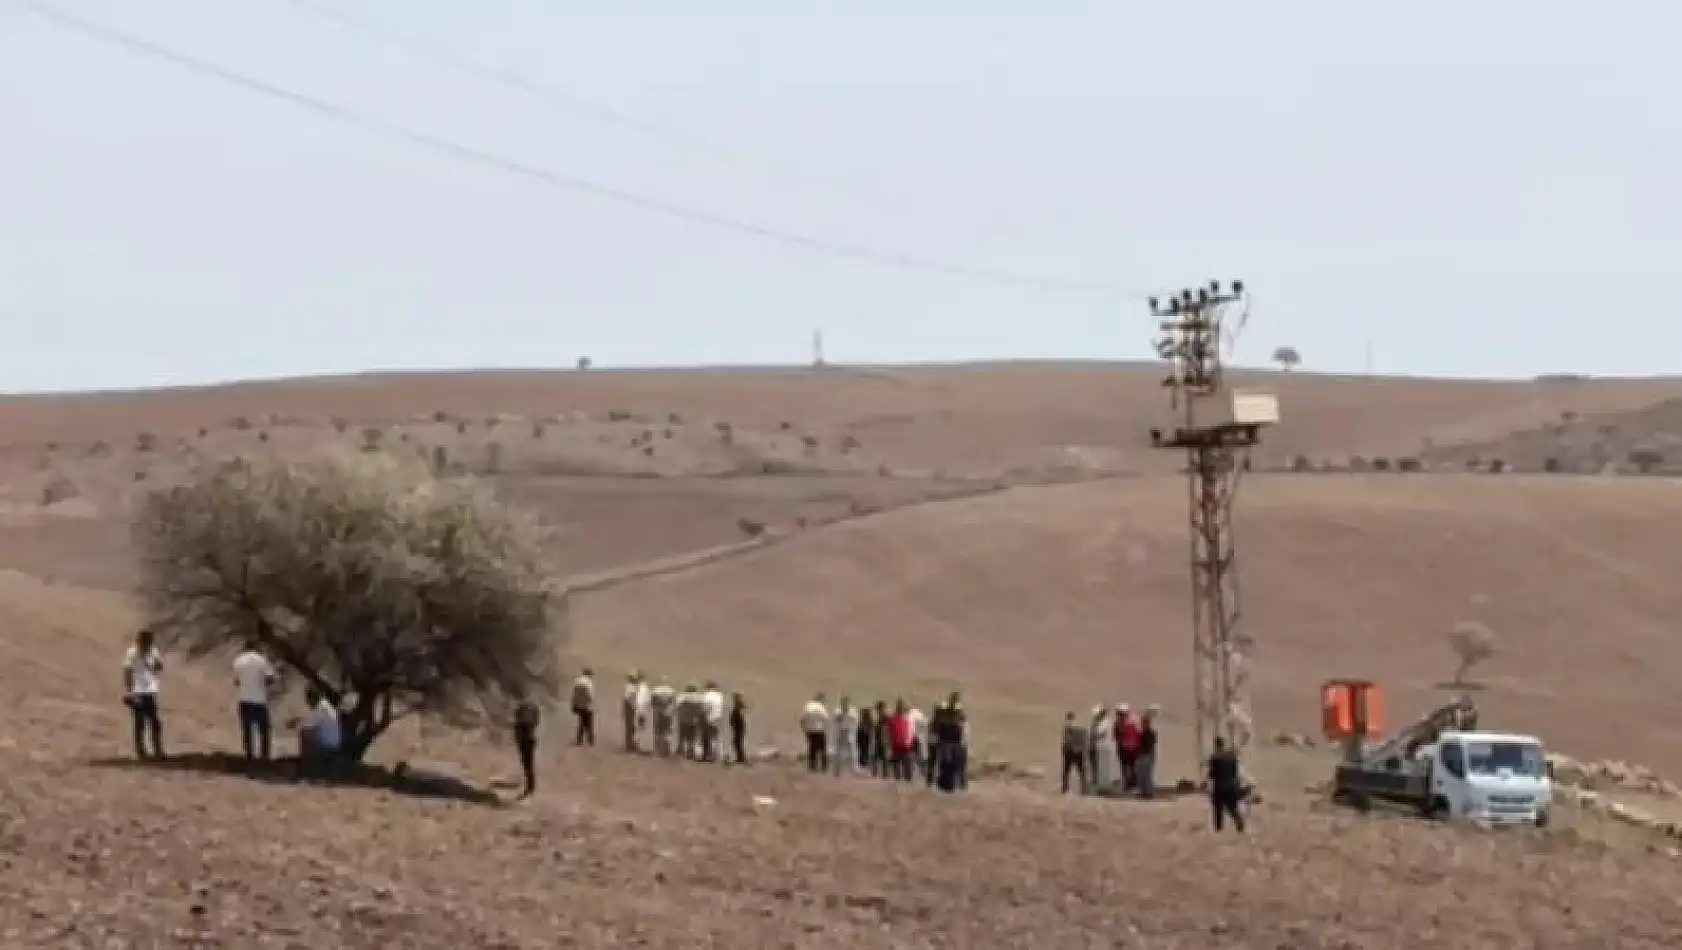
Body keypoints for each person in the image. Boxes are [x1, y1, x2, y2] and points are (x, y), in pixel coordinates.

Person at [122, 628, 165, 760]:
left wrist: (158, 664)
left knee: (154, 722)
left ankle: (157, 750)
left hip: (150, 690)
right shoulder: (132, 652)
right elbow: (127, 670)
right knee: (140, 722)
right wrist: (129, 691)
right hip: (138, 690)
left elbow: (159, 667)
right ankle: (141, 751)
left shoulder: (153, 651)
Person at [231, 640, 278, 763]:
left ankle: (249, 756)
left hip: (244, 699)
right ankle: (264, 756)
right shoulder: (261, 660)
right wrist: (264, 685)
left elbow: (236, 681)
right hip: (259, 699)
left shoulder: (238, 660)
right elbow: (271, 678)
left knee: (247, 730)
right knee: (264, 729)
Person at [299, 687, 342, 776]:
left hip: (328, 745)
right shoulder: (325, 705)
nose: (307, 702)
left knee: (304, 734)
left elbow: (309, 726)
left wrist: (297, 725)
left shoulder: (321, 708)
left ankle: (306, 767)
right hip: (334, 742)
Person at [1207, 736, 1246, 832]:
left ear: (1216, 745)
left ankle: (1219, 828)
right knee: (1232, 807)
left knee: (1218, 808)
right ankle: (1239, 823)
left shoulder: (1214, 757)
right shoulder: (1232, 756)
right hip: (1231, 785)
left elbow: (1212, 773)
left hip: (1220, 786)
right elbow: (1235, 772)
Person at [513, 696, 541, 798]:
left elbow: (516, 720)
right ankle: (531, 784)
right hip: (530, 737)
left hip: (523, 738)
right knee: (529, 762)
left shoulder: (520, 708)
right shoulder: (534, 707)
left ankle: (530, 785)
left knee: (526, 763)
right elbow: (537, 721)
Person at [1060, 711, 1089, 794]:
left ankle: (1065, 789)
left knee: (1066, 771)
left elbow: (1066, 740)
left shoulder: (1067, 727)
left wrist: (1064, 750)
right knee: (1081, 772)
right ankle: (1084, 790)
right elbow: (1085, 739)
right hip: (1079, 751)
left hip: (1070, 751)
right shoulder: (1081, 727)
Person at [800, 692, 830, 773]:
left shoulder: (808, 705)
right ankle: (824, 767)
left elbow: (802, 718)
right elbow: (826, 718)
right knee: (822, 748)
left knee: (812, 748)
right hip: (819, 730)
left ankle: (813, 766)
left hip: (809, 730)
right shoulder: (821, 707)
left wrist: (804, 728)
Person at [888, 700, 916, 781]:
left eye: (901, 707)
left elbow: (911, 732)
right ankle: (899, 780)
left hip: (905, 745)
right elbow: (890, 732)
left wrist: (910, 743)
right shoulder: (894, 719)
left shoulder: (907, 719)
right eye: (898, 707)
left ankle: (907, 780)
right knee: (898, 764)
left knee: (906, 764)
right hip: (897, 744)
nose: (899, 709)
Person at [1136, 706, 1160, 799]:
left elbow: (1151, 745)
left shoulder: (1150, 733)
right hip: (1142, 755)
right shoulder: (1142, 733)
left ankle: (1148, 792)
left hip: (1147, 755)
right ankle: (1143, 792)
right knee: (1141, 774)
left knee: (1147, 774)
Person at [1116, 703, 1141, 792]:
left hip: (1132, 747)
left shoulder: (1133, 720)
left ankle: (1133, 784)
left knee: (1132, 766)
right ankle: (1128, 783)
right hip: (1124, 747)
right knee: (1125, 766)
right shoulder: (1119, 722)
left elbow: (1138, 733)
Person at [649, 676, 677, 757]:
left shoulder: (655, 690)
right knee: (667, 730)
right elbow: (673, 703)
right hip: (668, 713)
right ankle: (667, 748)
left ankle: (658, 749)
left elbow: (652, 702)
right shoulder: (671, 690)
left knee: (658, 730)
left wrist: (655, 708)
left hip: (658, 712)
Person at [833, 698, 860, 775]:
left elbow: (855, 720)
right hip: (841, 731)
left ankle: (855, 768)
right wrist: (842, 714)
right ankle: (837, 768)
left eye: (846, 702)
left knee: (853, 750)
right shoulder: (837, 710)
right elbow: (835, 720)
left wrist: (847, 713)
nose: (844, 704)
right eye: (843, 702)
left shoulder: (852, 710)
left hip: (849, 731)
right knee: (838, 750)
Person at [701, 681, 726, 762]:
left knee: (707, 737)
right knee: (716, 737)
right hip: (718, 718)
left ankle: (708, 755)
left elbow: (705, 708)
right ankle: (718, 754)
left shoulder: (707, 696)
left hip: (709, 718)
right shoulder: (720, 696)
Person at [570, 667, 596, 746]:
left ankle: (580, 740)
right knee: (589, 722)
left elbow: (574, 695)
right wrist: (591, 703)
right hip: (586, 705)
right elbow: (589, 694)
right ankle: (590, 740)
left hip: (578, 704)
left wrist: (573, 704)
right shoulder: (588, 682)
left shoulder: (577, 681)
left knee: (581, 722)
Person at [622, 671, 646, 753]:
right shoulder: (631, 688)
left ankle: (631, 743)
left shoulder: (631, 686)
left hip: (630, 707)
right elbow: (629, 699)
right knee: (630, 727)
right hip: (630, 708)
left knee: (631, 727)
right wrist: (636, 708)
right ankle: (629, 745)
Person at [871, 701, 892, 779]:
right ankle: (875, 774)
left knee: (884, 759)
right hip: (878, 741)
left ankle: (885, 775)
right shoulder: (878, 719)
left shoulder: (887, 718)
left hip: (884, 741)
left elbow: (889, 730)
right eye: (878, 709)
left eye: (880, 709)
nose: (879, 711)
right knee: (875, 758)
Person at [728, 692, 749, 765]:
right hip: (739, 727)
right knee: (738, 743)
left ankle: (741, 758)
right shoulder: (738, 706)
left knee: (737, 742)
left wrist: (733, 723)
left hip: (738, 727)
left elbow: (737, 718)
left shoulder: (737, 707)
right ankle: (740, 757)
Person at [854, 704, 874, 775]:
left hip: (865, 739)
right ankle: (863, 767)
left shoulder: (867, 722)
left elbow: (869, 731)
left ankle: (864, 767)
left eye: (862, 713)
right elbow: (859, 731)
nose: (861, 715)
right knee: (863, 752)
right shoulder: (863, 722)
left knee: (864, 752)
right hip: (863, 739)